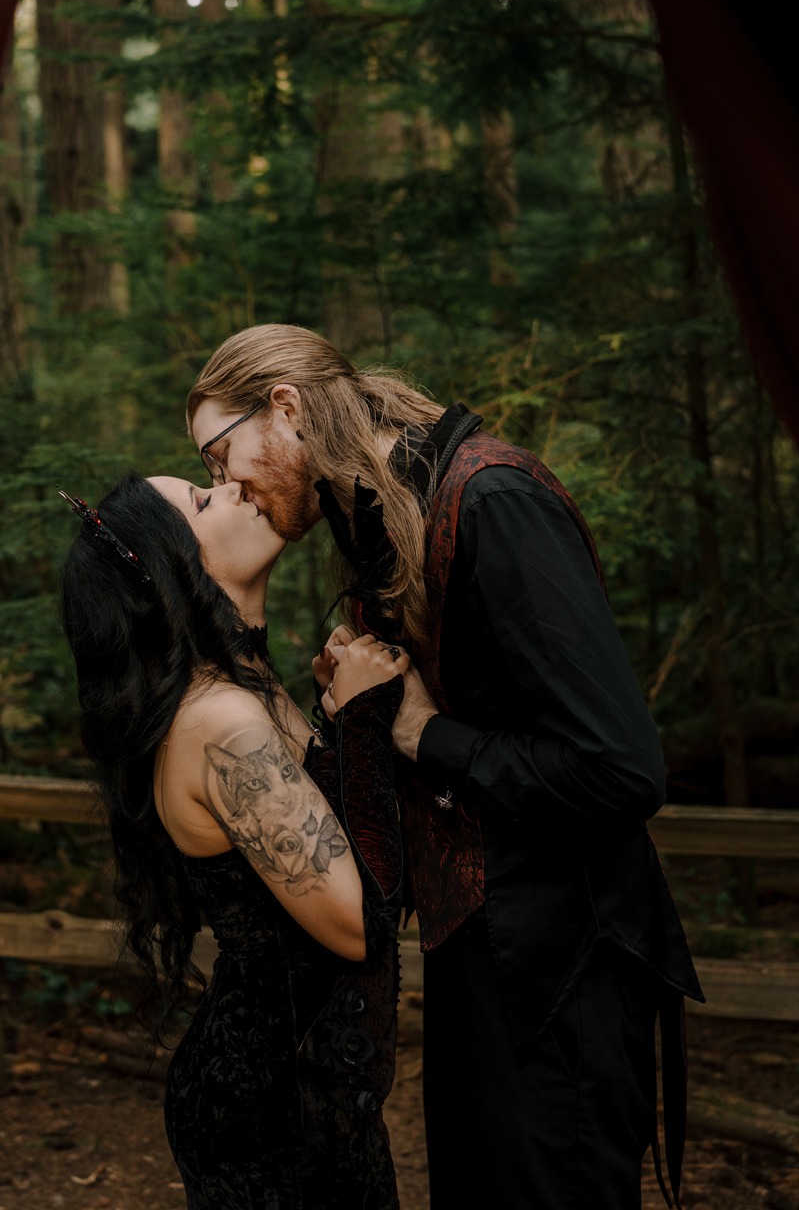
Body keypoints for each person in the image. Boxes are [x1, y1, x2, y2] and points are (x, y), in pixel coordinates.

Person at [187, 324, 704, 1210]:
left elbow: (622, 771)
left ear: (283, 407)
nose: (223, 484)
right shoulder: (379, 520)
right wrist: (362, 709)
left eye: (218, 453)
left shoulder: (494, 500)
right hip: (476, 955)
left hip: (565, 964)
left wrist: (424, 735)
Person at [59, 472, 408, 1210]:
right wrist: (364, 724)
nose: (238, 488)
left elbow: (336, 849)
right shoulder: (221, 721)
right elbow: (359, 927)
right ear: (173, 567)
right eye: (204, 499)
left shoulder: (247, 687)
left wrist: (339, 718)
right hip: (271, 1112)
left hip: (312, 1093)